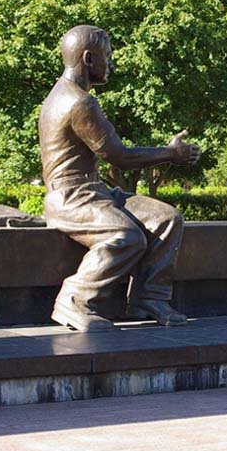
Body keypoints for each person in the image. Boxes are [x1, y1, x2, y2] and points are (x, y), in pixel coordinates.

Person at [39, 25, 200, 331]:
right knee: (125, 237)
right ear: (88, 58)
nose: (110, 63)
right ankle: (74, 300)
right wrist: (171, 153)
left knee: (166, 218)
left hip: (94, 191)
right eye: (107, 56)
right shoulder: (78, 102)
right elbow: (120, 157)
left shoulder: (74, 96)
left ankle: (148, 298)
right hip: (71, 197)